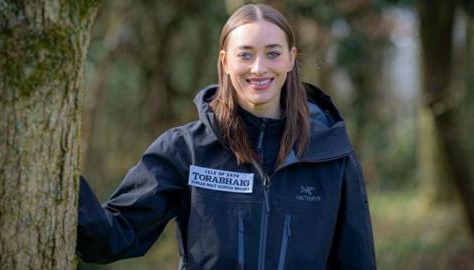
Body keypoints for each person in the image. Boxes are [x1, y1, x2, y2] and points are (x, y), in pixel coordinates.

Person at [77, 3, 377, 270]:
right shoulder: (186, 150)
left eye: (273, 53)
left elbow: (357, 260)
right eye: (245, 54)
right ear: (225, 61)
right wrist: (63, 178)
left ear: (290, 58)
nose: (259, 68)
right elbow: (114, 237)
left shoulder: (332, 155)